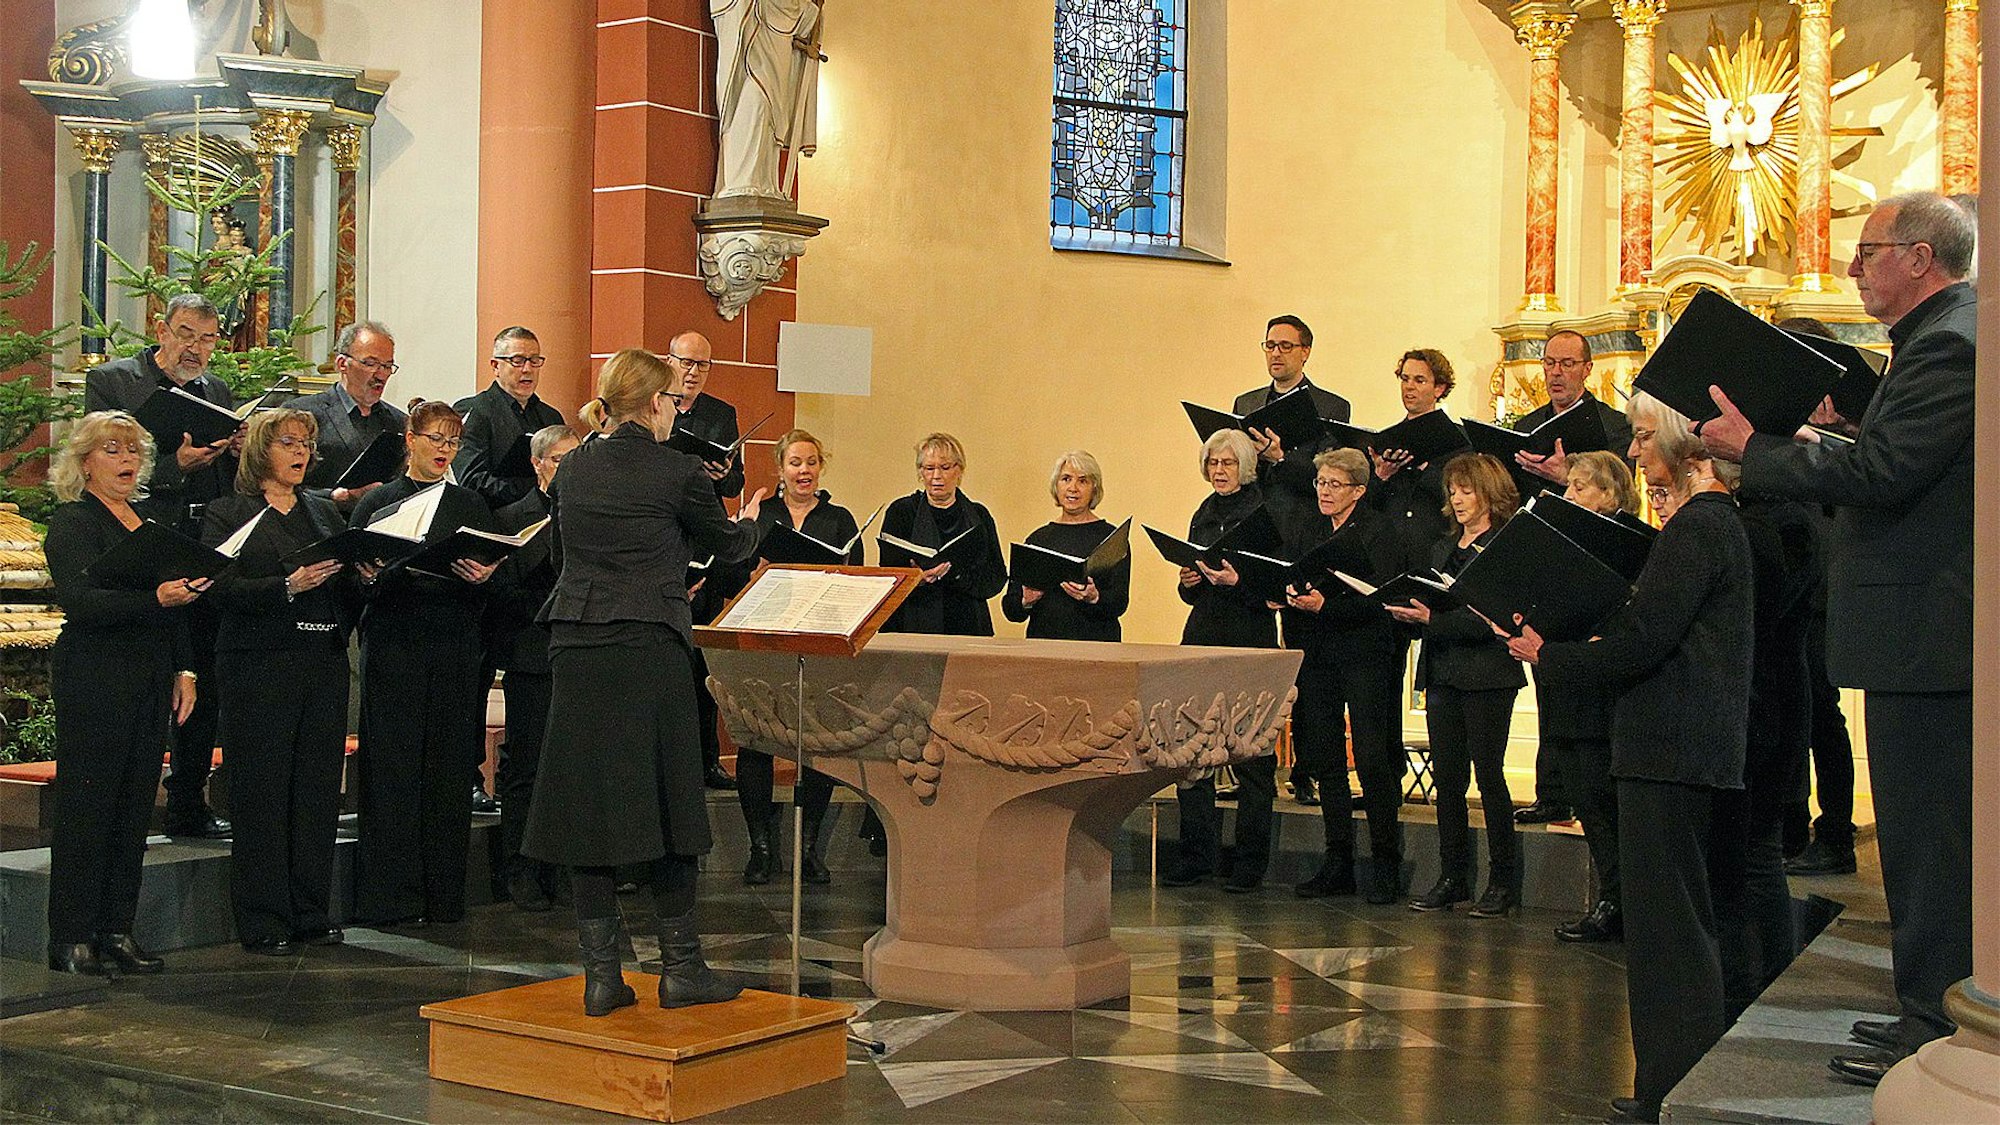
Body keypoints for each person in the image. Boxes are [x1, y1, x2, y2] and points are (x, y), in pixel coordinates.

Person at [1699, 191, 1976, 1084]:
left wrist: (1757, 447)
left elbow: (1887, 474)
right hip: (1925, 636)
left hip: (1929, 637)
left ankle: (1937, 1026)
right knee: (1924, 842)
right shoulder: (1941, 335)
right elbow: (1899, 454)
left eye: (1869, 250)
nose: (1854, 266)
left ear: (1921, 258)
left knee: (1929, 847)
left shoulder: (1951, 341)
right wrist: (1846, 430)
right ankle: (1928, 1008)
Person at [1508, 394, 1753, 1124]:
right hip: (1681, 743)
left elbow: (1646, 641)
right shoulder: (1715, 524)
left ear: (1682, 444)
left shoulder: (1699, 527)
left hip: (1668, 746)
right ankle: (1675, 1082)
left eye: (1645, 437)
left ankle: (1671, 1088)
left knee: (1668, 932)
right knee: (1676, 924)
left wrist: (1550, 656)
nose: (1636, 451)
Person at [520, 348, 764, 1017]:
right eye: (674, 402)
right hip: (648, 643)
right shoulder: (677, 469)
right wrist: (750, 520)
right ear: (657, 403)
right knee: (669, 796)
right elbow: (728, 546)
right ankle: (681, 969)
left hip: (577, 643)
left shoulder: (573, 467)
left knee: (586, 804)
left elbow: (566, 558)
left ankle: (602, 977)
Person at [41, 412, 206, 976]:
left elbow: (175, 602)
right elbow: (82, 602)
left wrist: (185, 670)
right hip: (95, 673)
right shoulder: (73, 522)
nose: (127, 459)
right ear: (85, 462)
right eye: (112, 449)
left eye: (133, 450)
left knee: (135, 804)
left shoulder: (149, 522)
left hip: (150, 671)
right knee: (89, 805)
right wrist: (154, 600)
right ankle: (70, 936)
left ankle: (116, 928)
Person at [199, 409, 354, 955]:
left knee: (316, 790)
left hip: (322, 662)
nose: (301, 452)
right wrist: (286, 586)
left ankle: (310, 911)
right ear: (261, 450)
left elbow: (343, 580)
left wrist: (365, 574)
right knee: (262, 790)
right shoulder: (229, 512)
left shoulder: (323, 512)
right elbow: (216, 588)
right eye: (289, 442)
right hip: (259, 665)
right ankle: (264, 917)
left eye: (307, 443)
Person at [85, 293, 236, 840]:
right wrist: (175, 466)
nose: (196, 348)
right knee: (154, 675)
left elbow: (224, 477)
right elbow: (97, 465)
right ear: (162, 329)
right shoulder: (114, 382)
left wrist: (236, 449)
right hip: (142, 544)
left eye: (208, 339)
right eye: (187, 334)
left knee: (202, 674)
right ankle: (126, 809)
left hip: (202, 541)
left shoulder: (216, 392)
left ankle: (189, 800)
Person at [348, 400, 504, 927]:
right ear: (410, 439)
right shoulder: (380, 502)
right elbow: (352, 575)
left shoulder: (469, 505)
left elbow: (491, 577)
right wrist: (369, 576)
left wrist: (484, 577)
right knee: (392, 769)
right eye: (435, 438)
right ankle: (390, 898)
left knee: (448, 768)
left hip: (453, 645)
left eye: (452, 441)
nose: (444, 449)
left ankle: (442, 896)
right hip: (395, 645)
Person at [1386, 453, 1522, 918]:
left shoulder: (1504, 547)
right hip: (1443, 670)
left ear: (1489, 493)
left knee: (1490, 777)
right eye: (1453, 491)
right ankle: (1453, 876)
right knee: (1447, 780)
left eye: (1467, 490)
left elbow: (1495, 620)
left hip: (1488, 674)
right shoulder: (1443, 548)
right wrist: (1412, 613)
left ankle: (1502, 882)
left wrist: (1434, 620)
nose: (1458, 499)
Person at [1511, 329, 1634, 827]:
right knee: (1547, 682)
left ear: (1588, 369)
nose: (1556, 372)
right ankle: (1552, 791)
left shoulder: (1614, 425)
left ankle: (1593, 794)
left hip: (1596, 569)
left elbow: (1622, 487)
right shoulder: (1528, 427)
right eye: (1549, 363)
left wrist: (1566, 478)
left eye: (1566, 363)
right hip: (1546, 565)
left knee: (1584, 688)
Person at [1279, 447, 1406, 904]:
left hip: (1366, 655)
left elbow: (1386, 600)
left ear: (1359, 490)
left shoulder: (1380, 531)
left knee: (1371, 759)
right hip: (1318, 655)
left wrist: (1326, 606)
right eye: (1320, 483)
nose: (1324, 492)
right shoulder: (1309, 528)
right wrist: (1287, 593)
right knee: (1326, 758)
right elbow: (1291, 573)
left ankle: (1385, 864)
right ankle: (1338, 862)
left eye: (1334, 484)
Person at [1159, 429, 1280, 890]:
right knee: (1193, 751)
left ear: (1246, 466)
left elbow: (1277, 589)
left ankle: (1250, 862)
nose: (1219, 471)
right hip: (1203, 635)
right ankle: (1197, 856)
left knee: (1252, 754)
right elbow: (1190, 589)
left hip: (1249, 638)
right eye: (1213, 463)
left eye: (1227, 463)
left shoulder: (1264, 512)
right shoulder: (1204, 512)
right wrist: (1188, 582)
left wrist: (1238, 582)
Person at [738, 429, 857, 886]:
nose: (803, 471)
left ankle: (808, 849)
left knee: (816, 741)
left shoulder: (839, 519)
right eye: (795, 463)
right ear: (780, 469)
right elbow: (732, 570)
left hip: (818, 635)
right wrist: (754, 573)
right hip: (766, 633)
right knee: (756, 737)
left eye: (811, 462)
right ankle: (760, 848)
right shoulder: (763, 514)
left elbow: (856, 577)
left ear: (820, 466)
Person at [1545, 450, 1640, 944]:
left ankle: (1622, 902)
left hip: (1605, 688)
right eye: (1569, 486)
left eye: (1579, 487)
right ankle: (1613, 900)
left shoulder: (1629, 542)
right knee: (1586, 797)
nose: (1569, 495)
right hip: (1568, 679)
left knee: (1605, 802)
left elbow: (1638, 613)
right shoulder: (1566, 541)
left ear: (1609, 494)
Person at [488, 424, 581, 912]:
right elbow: (501, 592)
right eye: (560, 460)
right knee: (527, 767)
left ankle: (562, 868)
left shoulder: (587, 514)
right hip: (531, 653)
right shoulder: (511, 518)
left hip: (577, 653)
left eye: (575, 459)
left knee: (569, 769)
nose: (567, 468)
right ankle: (520, 869)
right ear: (538, 463)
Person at [666, 331, 746, 792]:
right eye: (686, 362)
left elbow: (735, 483)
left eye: (702, 365)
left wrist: (724, 472)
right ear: (669, 361)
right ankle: (670, 765)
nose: (693, 372)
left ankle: (706, 759)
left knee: (704, 661)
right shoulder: (656, 407)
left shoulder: (721, 414)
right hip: (665, 536)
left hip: (704, 541)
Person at [880, 432, 1007, 636]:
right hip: (912, 621)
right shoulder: (902, 512)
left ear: (959, 470)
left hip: (967, 622)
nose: (936, 476)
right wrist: (916, 579)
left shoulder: (978, 515)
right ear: (920, 472)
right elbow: (887, 574)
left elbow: (995, 578)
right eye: (929, 468)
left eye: (945, 467)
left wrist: (957, 574)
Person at [1235, 314, 1353, 532]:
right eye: (1270, 345)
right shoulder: (1246, 403)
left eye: (1285, 346)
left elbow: (1327, 475)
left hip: (1301, 522)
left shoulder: (1331, 407)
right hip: (1249, 518)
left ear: (1305, 352)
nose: (1275, 353)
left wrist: (1280, 459)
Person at [1001, 450, 1130, 642]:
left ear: (1094, 489)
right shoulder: (1037, 540)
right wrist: (1025, 600)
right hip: (1044, 647)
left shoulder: (1111, 538)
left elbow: (1120, 602)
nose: (1073, 488)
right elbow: (1011, 610)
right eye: (1066, 479)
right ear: (1056, 485)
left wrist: (1094, 597)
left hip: (1097, 647)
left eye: (1083, 481)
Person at [710, 0, 821, 199]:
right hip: (751, 41)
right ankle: (741, 180)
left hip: (777, 42)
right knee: (755, 100)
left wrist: (811, 10)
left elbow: (800, 16)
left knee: (773, 115)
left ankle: (765, 182)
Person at [295, 320, 408, 510]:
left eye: (387, 366)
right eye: (370, 363)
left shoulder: (399, 422)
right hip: (322, 523)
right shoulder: (302, 415)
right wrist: (333, 497)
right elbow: (278, 486)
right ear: (342, 364)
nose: (381, 375)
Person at [1366, 348, 1460, 573]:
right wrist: (1381, 476)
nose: (1409, 387)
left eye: (1419, 380)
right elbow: (1367, 506)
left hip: (1436, 550)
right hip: (1391, 553)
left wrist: (1424, 468)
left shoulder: (1458, 440)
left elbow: (1463, 497)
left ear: (1439, 388)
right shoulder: (1387, 438)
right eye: (1405, 379)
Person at [452, 326, 566, 508]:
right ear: (496, 366)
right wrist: (536, 487)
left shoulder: (550, 417)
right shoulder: (474, 411)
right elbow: (471, 481)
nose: (527, 369)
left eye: (534, 360)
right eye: (517, 361)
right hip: (498, 517)